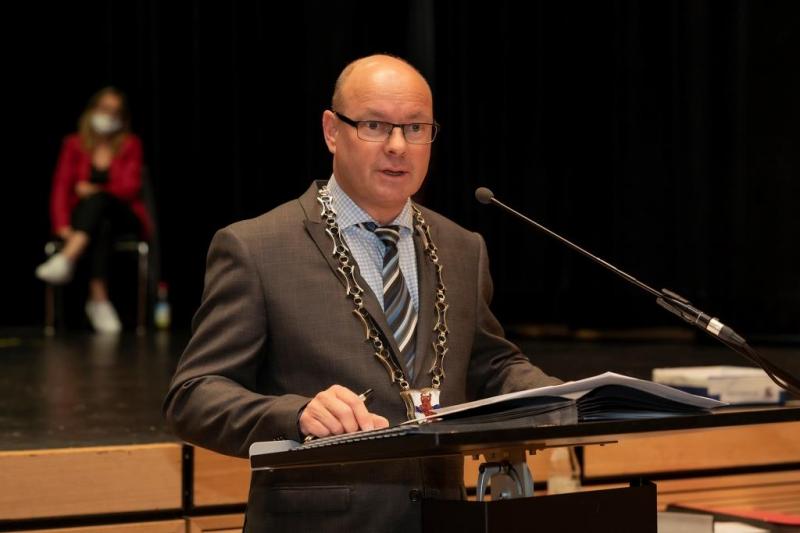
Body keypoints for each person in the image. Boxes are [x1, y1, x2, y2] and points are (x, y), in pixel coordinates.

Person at [163, 54, 560, 532]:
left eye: (416, 128)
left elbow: (490, 365)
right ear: (332, 131)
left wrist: (569, 398)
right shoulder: (257, 248)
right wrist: (296, 414)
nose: (398, 146)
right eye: (374, 126)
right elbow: (193, 396)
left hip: (443, 518)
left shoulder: (462, 247)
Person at [36, 87, 151, 333]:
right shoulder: (73, 144)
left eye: (115, 112)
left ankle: (68, 256)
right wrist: (62, 226)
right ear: (92, 110)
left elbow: (131, 187)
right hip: (91, 222)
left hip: (124, 215)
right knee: (100, 222)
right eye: (104, 109)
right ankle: (99, 299)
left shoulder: (130, 145)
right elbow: (61, 186)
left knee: (99, 201)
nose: (109, 116)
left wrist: (95, 190)